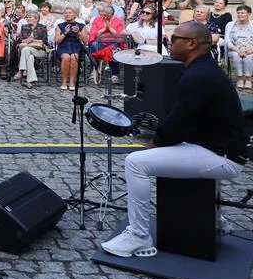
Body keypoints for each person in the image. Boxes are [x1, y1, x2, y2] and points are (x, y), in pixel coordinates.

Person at [100, 22, 245, 259]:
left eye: (175, 37)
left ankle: (138, 235)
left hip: (223, 156)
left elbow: (178, 122)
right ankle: (212, 220)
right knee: (163, 156)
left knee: (136, 162)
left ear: (191, 44)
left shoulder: (198, 76)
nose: (169, 40)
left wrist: (155, 143)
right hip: (215, 146)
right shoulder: (204, 69)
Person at [14, 10, 49, 89]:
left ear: (36, 19)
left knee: (25, 49)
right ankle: (30, 81)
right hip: (27, 49)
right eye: (27, 17)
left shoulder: (42, 27)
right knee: (30, 57)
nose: (28, 19)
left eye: (30, 17)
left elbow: (45, 41)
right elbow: (19, 40)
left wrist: (33, 40)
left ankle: (21, 70)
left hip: (39, 50)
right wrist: (26, 40)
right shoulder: (24, 27)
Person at [55, 7, 87, 90]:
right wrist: (65, 33)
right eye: (66, 13)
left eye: (69, 13)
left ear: (75, 14)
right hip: (63, 46)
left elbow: (85, 41)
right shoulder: (59, 26)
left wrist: (78, 33)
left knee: (74, 57)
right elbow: (57, 41)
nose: (67, 14)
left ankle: (72, 81)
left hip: (76, 46)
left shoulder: (81, 26)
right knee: (66, 57)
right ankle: (64, 81)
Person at [227, 5, 253, 90]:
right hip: (234, 49)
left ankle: (248, 79)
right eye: (238, 13)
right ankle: (240, 78)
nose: (240, 14)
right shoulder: (230, 25)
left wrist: (250, 50)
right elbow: (228, 41)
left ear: (248, 14)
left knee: (248, 58)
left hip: (250, 50)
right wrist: (238, 51)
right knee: (236, 56)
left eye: (242, 13)